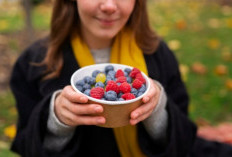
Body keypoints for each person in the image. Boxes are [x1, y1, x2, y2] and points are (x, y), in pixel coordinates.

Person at [10, 0, 232, 157]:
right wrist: (57, 119)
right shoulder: (34, 63)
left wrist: (156, 108)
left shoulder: (158, 54)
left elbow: (183, 140)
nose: (108, 5)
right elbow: (28, 146)